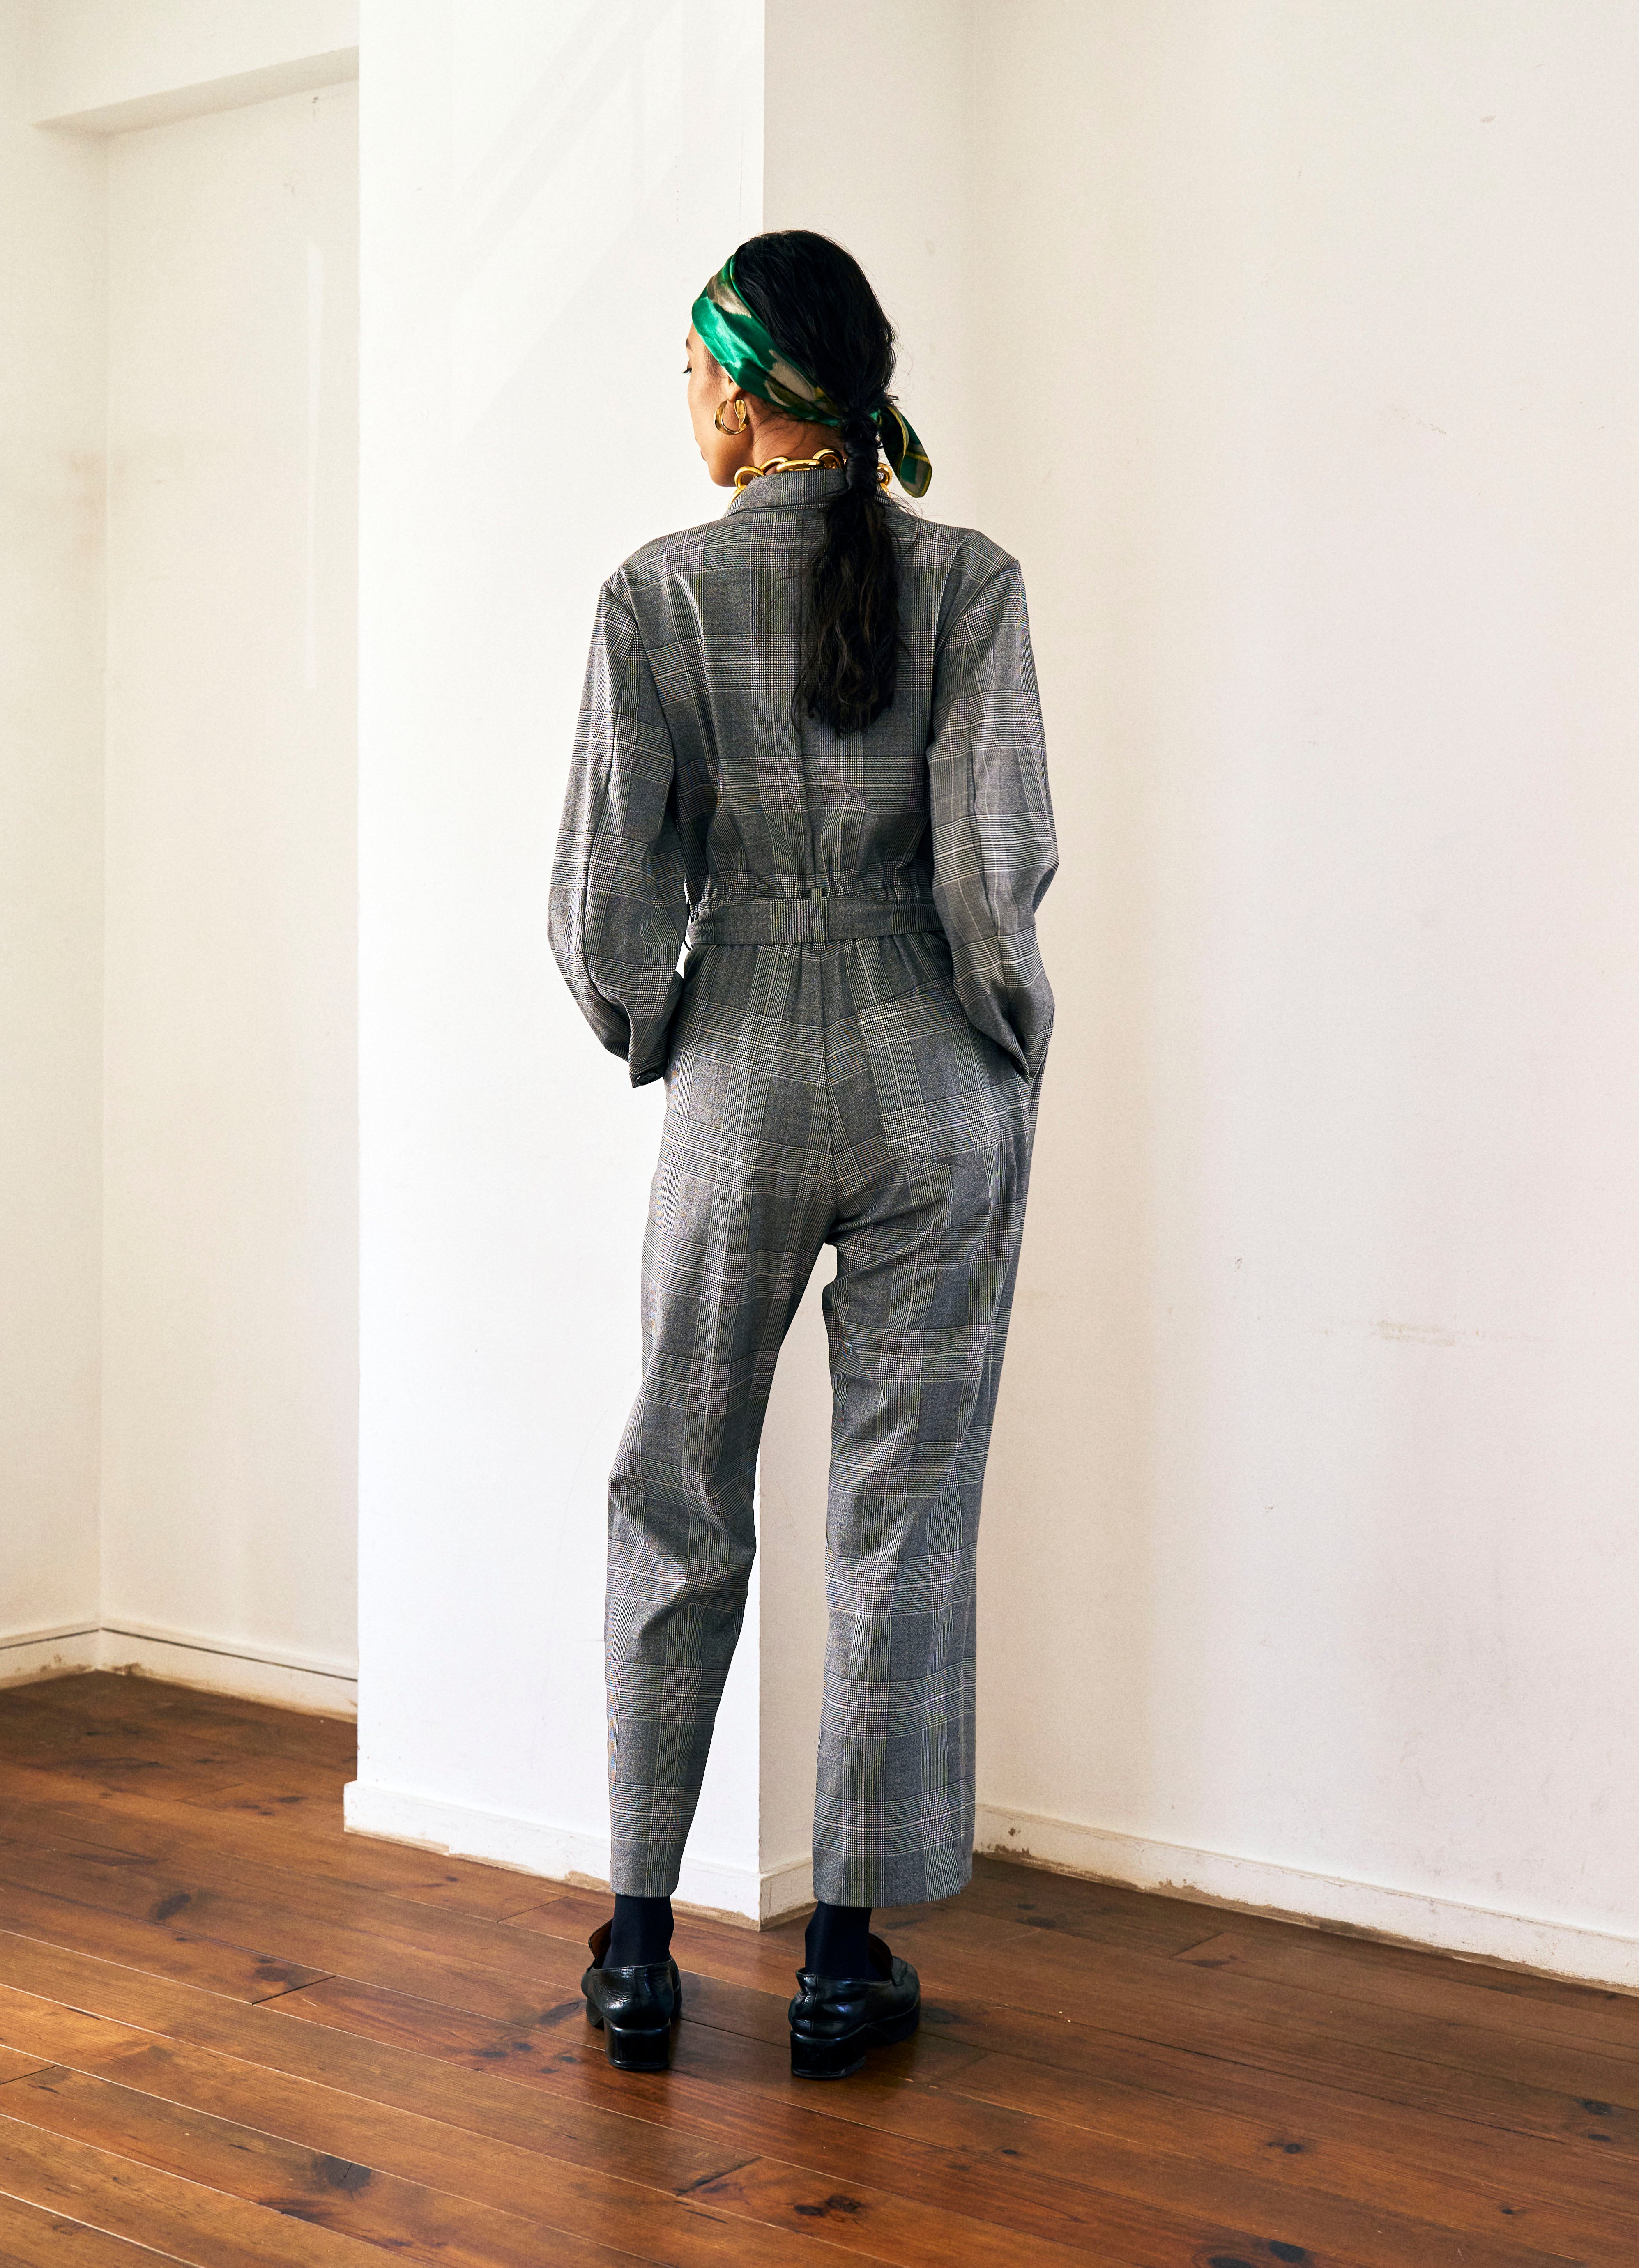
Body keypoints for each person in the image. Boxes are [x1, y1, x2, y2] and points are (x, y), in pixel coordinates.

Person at [549, 230, 1057, 2080]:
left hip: (743, 1068)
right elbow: (995, 878)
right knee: (898, 1510)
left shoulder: (651, 598)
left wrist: (671, 1029)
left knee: (673, 1489)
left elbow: (600, 911)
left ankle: (634, 1946)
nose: (683, 405)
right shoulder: (971, 582)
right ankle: (844, 1959)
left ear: (748, 390)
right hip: (934, 1074)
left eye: (692, 374)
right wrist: (1000, 1051)